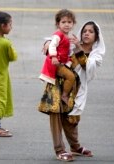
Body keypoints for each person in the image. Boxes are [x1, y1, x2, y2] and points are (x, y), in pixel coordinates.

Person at [38, 21, 105, 162]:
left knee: (71, 120)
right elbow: (56, 40)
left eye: (91, 31)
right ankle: (60, 150)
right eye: (85, 30)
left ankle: (75, 147)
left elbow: (89, 68)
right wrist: (48, 43)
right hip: (57, 85)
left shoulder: (96, 55)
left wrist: (79, 49)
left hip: (76, 91)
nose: (86, 33)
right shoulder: (71, 44)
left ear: (97, 37)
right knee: (56, 117)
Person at [39, 9, 76, 104]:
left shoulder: (67, 36)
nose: (67, 24)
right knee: (71, 77)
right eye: (63, 22)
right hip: (56, 64)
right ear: (58, 24)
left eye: (69, 22)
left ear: (73, 24)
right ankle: (64, 95)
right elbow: (52, 45)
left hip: (62, 61)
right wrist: (54, 57)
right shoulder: (58, 35)